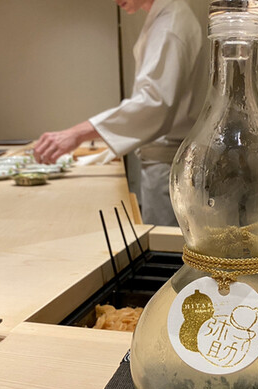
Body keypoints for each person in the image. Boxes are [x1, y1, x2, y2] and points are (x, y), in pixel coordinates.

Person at [34, 0, 207, 226]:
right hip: (168, 161)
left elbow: (154, 104)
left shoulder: (170, 24)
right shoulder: (167, 17)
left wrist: (77, 133)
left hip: (171, 165)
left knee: (168, 243)